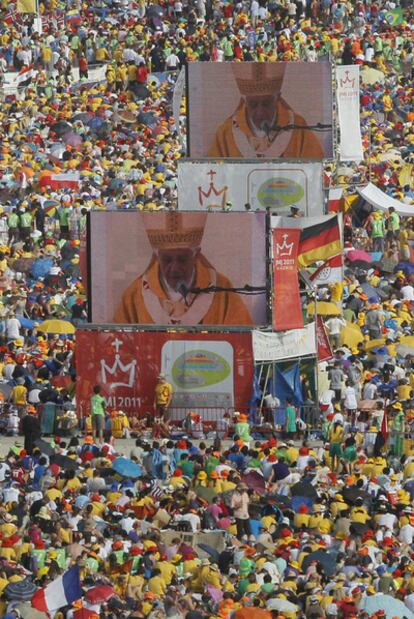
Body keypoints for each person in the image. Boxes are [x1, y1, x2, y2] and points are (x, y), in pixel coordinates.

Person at [114, 212, 253, 325]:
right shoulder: (135, 294)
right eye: (167, 260)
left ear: (196, 255)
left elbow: (242, 342)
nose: (174, 268)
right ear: (157, 257)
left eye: (182, 259)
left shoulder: (222, 290)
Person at [208, 63, 325, 159]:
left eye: (266, 103)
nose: (260, 111)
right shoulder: (226, 133)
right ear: (245, 101)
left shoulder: (297, 128)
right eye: (253, 104)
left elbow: (315, 170)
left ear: (277, 98)